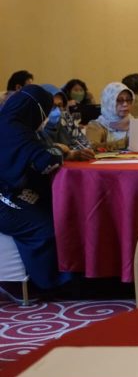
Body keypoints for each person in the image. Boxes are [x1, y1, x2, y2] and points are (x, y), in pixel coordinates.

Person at [0, 85, 73, 291]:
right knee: (45, 226)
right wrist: (60, 150)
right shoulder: (15, 130)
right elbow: (46, 159)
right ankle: (49, 283)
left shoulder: (10, 124)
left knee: (50, 205)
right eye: (47, 112)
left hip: (8, 191)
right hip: (3, 201)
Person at [41, 84, 93, 155]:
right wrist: (62, 151)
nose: (57, 110)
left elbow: (85, 145)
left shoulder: (66, 119)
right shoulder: (34, 126)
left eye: (59, 106)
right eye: (52, 106)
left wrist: (70, 151)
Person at [86, 82, 134, 151]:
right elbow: (92, 147)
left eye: (128, 100)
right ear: (109, 102)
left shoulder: (134, 122)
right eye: (119, 100)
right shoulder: (96, 126)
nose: (125, 104)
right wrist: (126, 142)